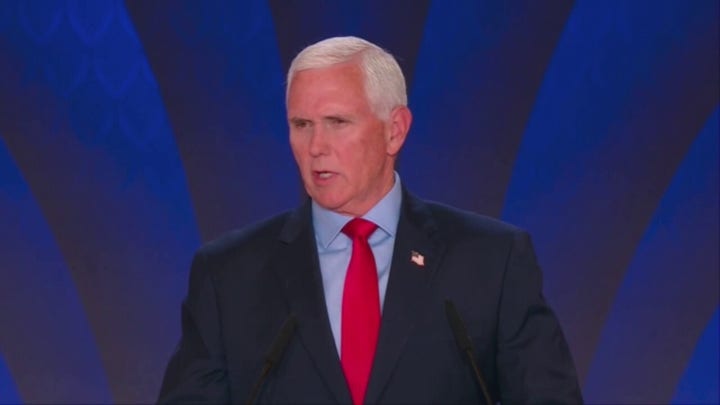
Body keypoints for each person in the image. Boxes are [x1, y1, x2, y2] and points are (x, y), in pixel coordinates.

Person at [158, 36, 582, 404]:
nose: (316, 146)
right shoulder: (229, 274)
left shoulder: (492, 261)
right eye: (301, 124)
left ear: (395, 130)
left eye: (337, 122)